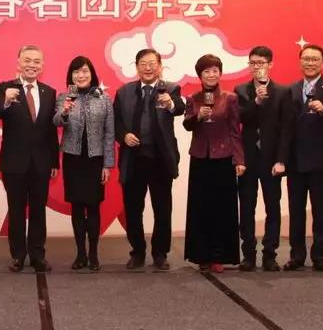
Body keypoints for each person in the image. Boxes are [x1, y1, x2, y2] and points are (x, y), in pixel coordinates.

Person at [113, 49, 185, 271]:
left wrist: (170, 103)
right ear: (136, 67)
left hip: (160, 160)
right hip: (133, 160)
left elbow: (179, 108)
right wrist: (124, 135)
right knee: (133, 209)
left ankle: (160, 253)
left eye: (152, 63)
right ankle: (137, 252)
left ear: (160, 66)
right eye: (143, 63)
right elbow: (115, 121)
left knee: (162, 209)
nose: (148, 67)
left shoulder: (170, 88)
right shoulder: (124, 92)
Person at [0, 45, 59, 273]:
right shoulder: (5, 87)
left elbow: (50, 130)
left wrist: (54, 161)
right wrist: (5, 100)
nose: (32, 65)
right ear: (18, 63)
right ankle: (18, 256)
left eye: (37, 61)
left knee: (38, 210)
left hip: (41, 162)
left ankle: (38, 255)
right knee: (16, 211)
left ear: (42, 66)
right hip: (14, 162)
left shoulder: (49, 92)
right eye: (27, 60)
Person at [182, 54, 245, 273]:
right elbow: (187, 124)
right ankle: (201, 255)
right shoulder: (193, 99)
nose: (211, 75)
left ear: (220, 73)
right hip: (200, 158)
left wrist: (239, 160)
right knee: (200, 208)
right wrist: (198, 116)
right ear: (200, 75)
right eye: (206, 71)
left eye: (215, 70)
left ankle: (219, 256)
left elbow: (235, 131)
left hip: (224, 159)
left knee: (222, 209)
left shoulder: (230, 98)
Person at [283, 44, 323, 272]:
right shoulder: (291, 89)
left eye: (315, 59)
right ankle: (297, 255)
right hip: (296, 160)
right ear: (300, 62)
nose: (310, 63)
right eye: (306, 59)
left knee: (320, 210)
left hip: (322, 160)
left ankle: (319, 256)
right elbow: (285, 125)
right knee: (296, 211)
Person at [53, 56, 114, 271]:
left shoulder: (104, 98)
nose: (81, 75)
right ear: (71, 76)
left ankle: (93, 254)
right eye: (76, 72)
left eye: (85, 71)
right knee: (77, 207)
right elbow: (56, 121)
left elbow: (109, 133)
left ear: (92, 74)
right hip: (73, 159)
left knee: (94, 206)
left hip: (96, 160)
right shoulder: (63, 97)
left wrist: (107, 164)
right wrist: (65, 111)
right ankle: (80, 254)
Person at [234, 46, 291, 272]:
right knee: (246, 207)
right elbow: (239, 118)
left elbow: (287, 129)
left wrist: (281, 160)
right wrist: (256, 101)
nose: (256, 67)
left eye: (261, 63)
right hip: (247, 159)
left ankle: (270, 254)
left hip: (271, 160)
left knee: (272, 208)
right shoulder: (241, 90)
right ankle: (248, 254)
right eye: (253, 63)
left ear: (270, 64)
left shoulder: (283, 92)